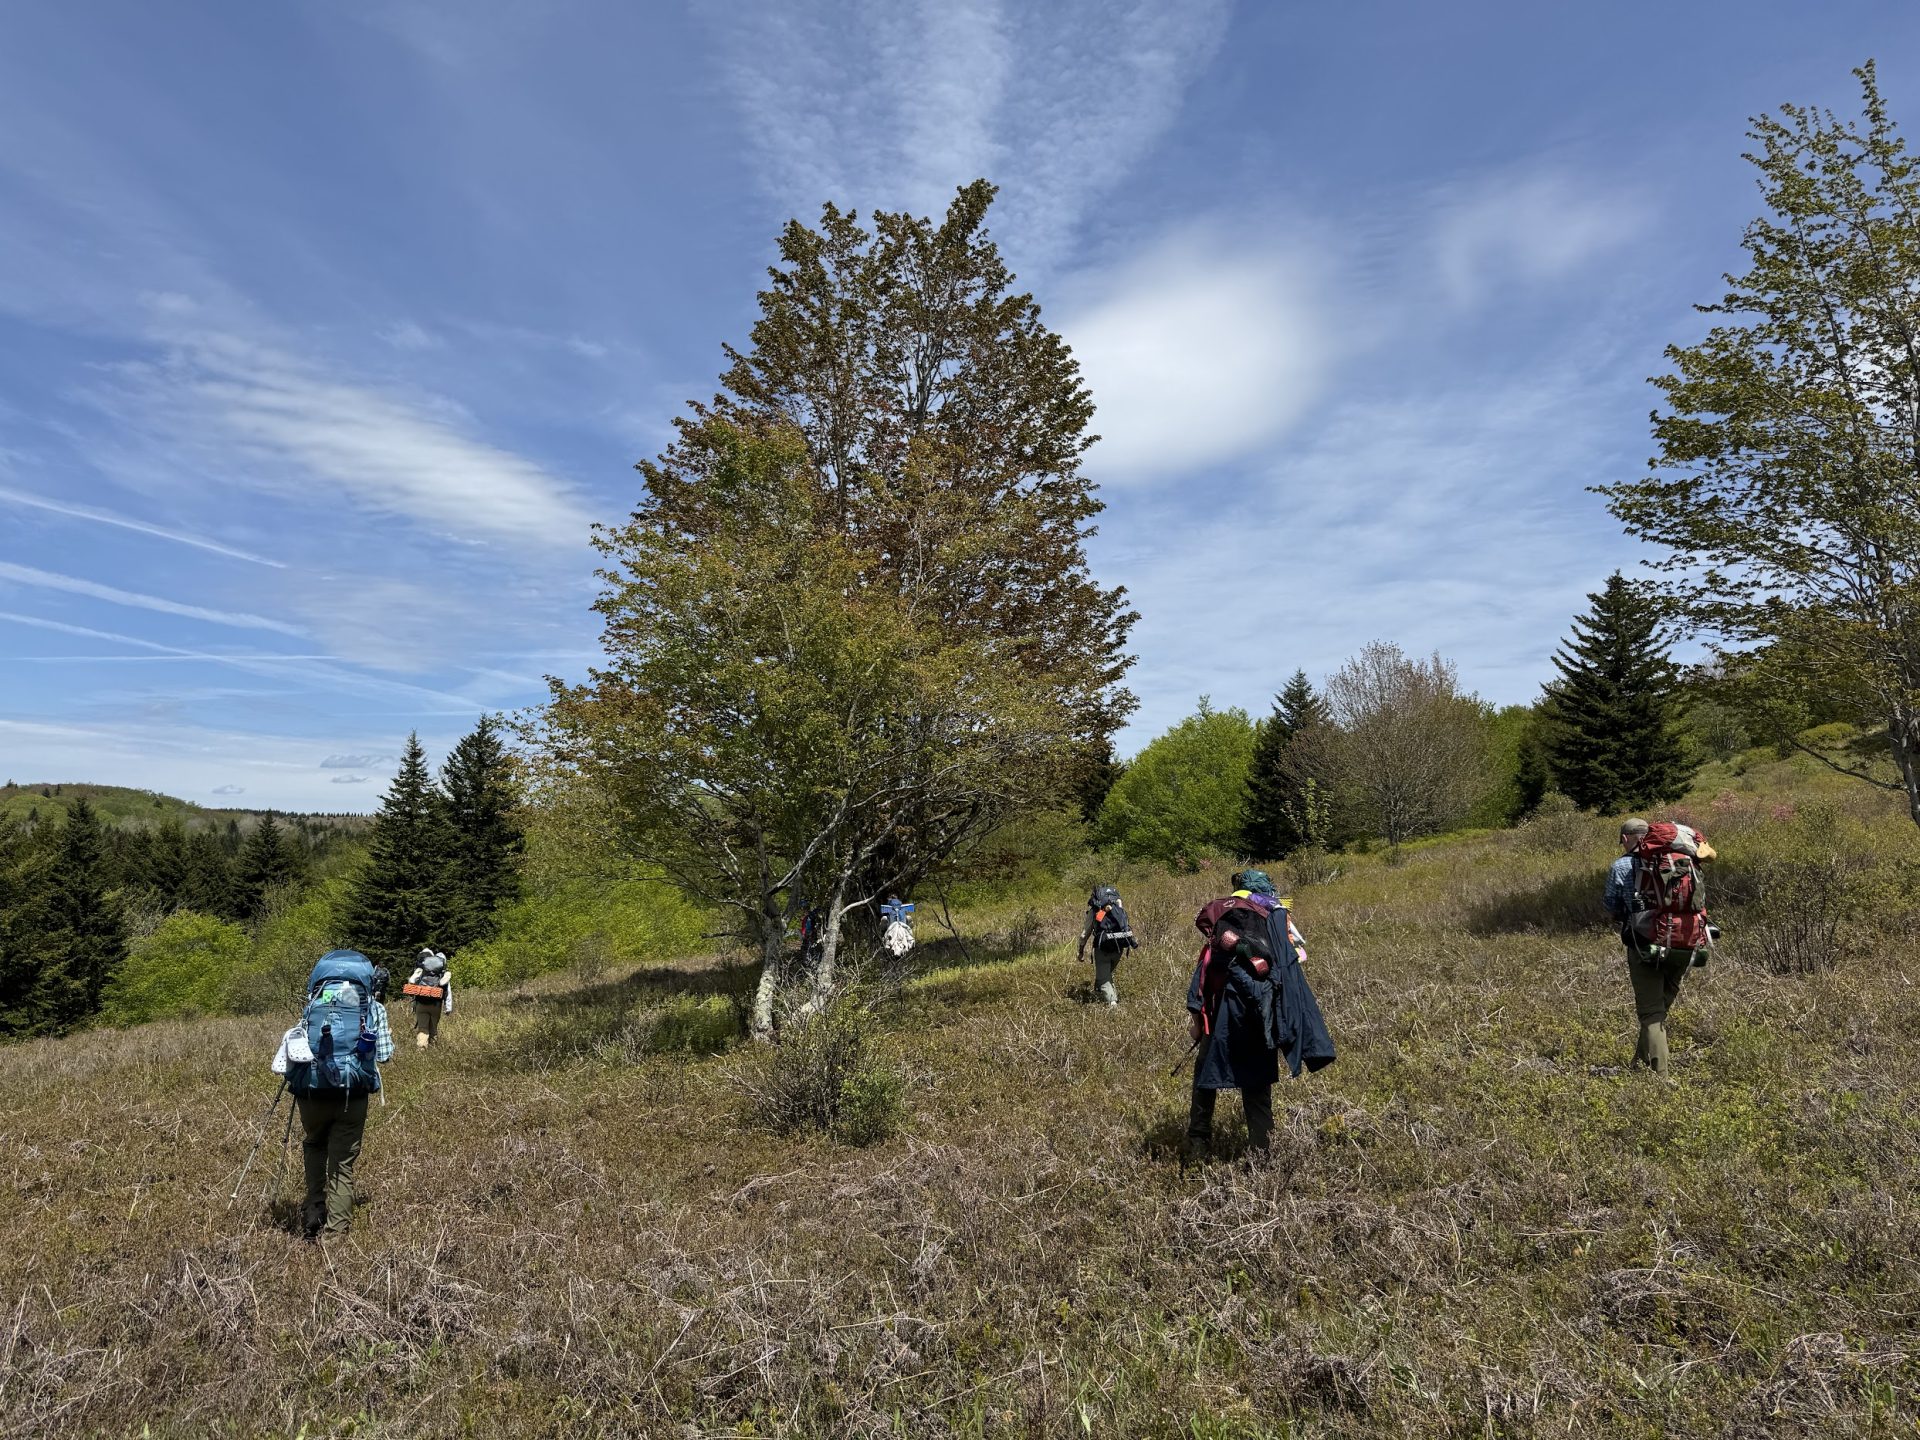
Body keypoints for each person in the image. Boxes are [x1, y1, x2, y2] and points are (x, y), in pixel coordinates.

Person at [1184, 869, 1334, 1166]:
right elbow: (1297, 960)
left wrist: (1197, 1015)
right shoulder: (1276, 917)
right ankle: (1261, 1158)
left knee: (1205, 1078)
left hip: (1219, 1012)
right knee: (1256, 1086)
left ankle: (1197, 1146)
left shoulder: (1221, 914)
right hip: (1259, 1014)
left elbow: (1206, 966)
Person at [273, 949, 393, 1240]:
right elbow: (386, 1054)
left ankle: (314, 1209)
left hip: (311, 1091)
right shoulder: (373, 1008)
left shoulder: (315, 1003)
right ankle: (336, 1232)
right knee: (341, 1163)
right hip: (352, 1094)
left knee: (314, 1144)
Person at [1603, 819, 1715, 1075]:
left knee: (1652, 1014)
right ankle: (1639, 1063)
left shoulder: (1621, 866)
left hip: (1644, 946)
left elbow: (1611, 905)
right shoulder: (1685, 859)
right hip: (1685, 942)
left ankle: (1658, 1079)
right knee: (1660, 1008)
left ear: (1625, 839)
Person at [1076, 884, 1136, 1006]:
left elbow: (1084, 934)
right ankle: (1099, 996)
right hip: (1119, 947)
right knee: (1106, 974)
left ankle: (1112, 1004)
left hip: (1102, 948)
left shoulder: (1094, 911)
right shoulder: (1119, 908)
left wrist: (1081, 951)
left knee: (1104, 979)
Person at [405, 948, 453, 1048]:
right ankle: (433, 1048)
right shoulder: (442, 974)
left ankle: (422, 1051)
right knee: (433, 1028)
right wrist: (448, 1008)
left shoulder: (421, 971)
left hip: (421, 1003)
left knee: (423, 1028)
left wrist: (414, 1006)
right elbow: (448, 992)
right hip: (436, 1004)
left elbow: (413, 986)